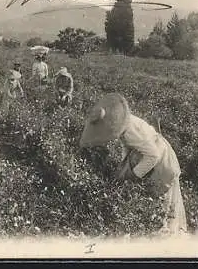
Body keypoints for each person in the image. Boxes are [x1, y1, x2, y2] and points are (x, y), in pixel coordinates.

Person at [79, 93, 187, 235]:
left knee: (165, 206)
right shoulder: (125, 123)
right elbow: (128, 146)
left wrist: (133, 175)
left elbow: (153, 155)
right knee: (162, 204)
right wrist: (124, 165)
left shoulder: (129, 131)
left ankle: (167, 238)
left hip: (162, 162)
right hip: (156, 154)